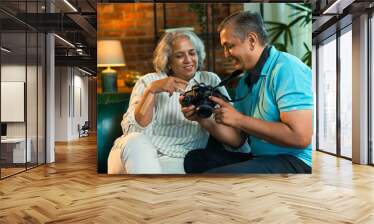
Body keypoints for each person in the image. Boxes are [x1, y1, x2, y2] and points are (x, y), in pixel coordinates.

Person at [182, 11, 313, 173]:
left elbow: (300, 137)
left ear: (251, 40)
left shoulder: (287, 68)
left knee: (214, 177)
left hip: (296, 161)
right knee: (195, 160)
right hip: (261, 158)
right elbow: (237, 140)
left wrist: (239, 119)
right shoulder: (245, 82)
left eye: (230, 46)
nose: (225, 54)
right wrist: (202, 119)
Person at [107, 30, 245, 174]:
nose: (188, 60)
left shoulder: (210, 80)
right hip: (134, 154)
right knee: (136, 141)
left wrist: (202, 118)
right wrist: (152, 91)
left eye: (192, 53)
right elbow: (134, 131)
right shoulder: (149, 81)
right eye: (179, 55)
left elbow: (235, 139)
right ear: (168, 61)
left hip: (177, 161)